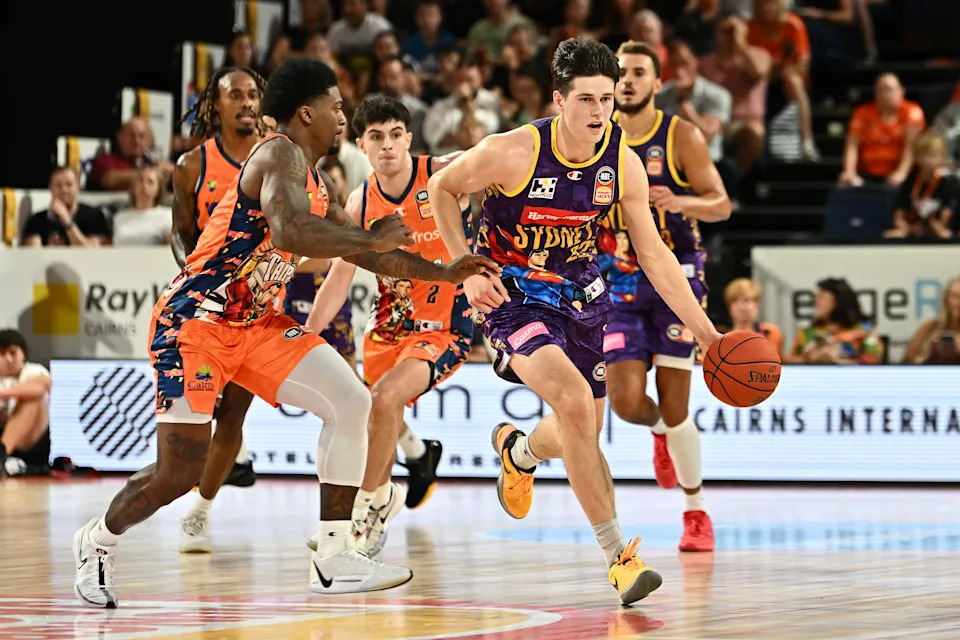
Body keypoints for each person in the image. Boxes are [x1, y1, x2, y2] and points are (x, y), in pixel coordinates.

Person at [72, 57, 498, 608]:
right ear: (306, 111)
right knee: (181, 470)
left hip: (256, 324)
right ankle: (97, 540)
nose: (342, 114)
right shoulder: (278, 153)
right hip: (197, 322)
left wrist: (444, 272)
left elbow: (382, 256)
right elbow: (290, 229)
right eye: (336, 105)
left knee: (351, 401)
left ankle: (333, 555)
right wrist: (369, 239)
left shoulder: (317, 181)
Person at [427, 38, 722, 605]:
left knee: (579, 425)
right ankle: (619, 558)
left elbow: (656, 255)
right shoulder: (510, 151)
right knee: (571, 399)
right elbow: (443, 187)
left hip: (584, 296)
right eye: (585, 99)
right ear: (558, 100)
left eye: (606, 100)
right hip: (512, 292)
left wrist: (706, 331)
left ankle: (520, 452)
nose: (598, 112)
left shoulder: (622, 160)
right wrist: (463, 268)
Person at [309, 96, 471, 557]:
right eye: (376, 137)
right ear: (362, 145)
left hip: (443, 328)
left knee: (382, 401)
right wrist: (306, 333)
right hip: (387, 331)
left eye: (395, 135)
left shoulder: (443, 174)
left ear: (409, 138)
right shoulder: (361, 201)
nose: (387, 146)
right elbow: (338, 279)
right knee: (375, 417)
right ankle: (382, 502)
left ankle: (362, 513)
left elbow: (500, 159)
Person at [603, 41, 731, 553]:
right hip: (617, 280)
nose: (628, 81)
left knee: (679, 406)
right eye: (622, 73)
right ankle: (656, 429)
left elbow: (721, 206)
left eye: (639, 73)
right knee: (627, 402)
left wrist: (682, 201)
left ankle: (695, 510)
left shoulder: (680, 135)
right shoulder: (596, 137)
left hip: (676, 278)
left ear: (659, 83)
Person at [170, 66, 266, 554]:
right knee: (202, 412)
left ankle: (201, 510)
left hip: (258, 307)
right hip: (208, 305)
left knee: (234, 415)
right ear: (216, 105)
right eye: (236, 95)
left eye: (253, 94)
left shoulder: (278, 155)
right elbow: (178, 229)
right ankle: (189, 487)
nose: (246, 102)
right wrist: (197, 276)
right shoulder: (192, 165)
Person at [784, 277, 884, 365]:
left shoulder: (866, 331)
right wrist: (810, 359)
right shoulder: (806, 333)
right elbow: (789, 362)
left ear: (838, 301)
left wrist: (837, 361)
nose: (815, 301)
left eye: (821, 297)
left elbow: (874, 361)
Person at [0, 330, 52, 477]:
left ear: (23, 353)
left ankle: (2, 453)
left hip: (30, 443)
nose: (9, 359)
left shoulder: (33, 370)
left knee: (33, 400)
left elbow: (42, 386)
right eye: (3, 354)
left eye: (13, 353)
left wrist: (5, 394)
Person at [903, 277, 960, 364]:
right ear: (946, 299)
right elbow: (907, 361)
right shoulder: (930, 327)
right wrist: (927, 351)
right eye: (955, 296)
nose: (958, 302)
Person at [722, 278, 784, 357]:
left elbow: (778, 360)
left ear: (757, 305)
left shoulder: (770, 332)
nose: (742, 307)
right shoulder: (719, 336)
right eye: (735, 301)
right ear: (729, 307)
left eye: (747, 300)